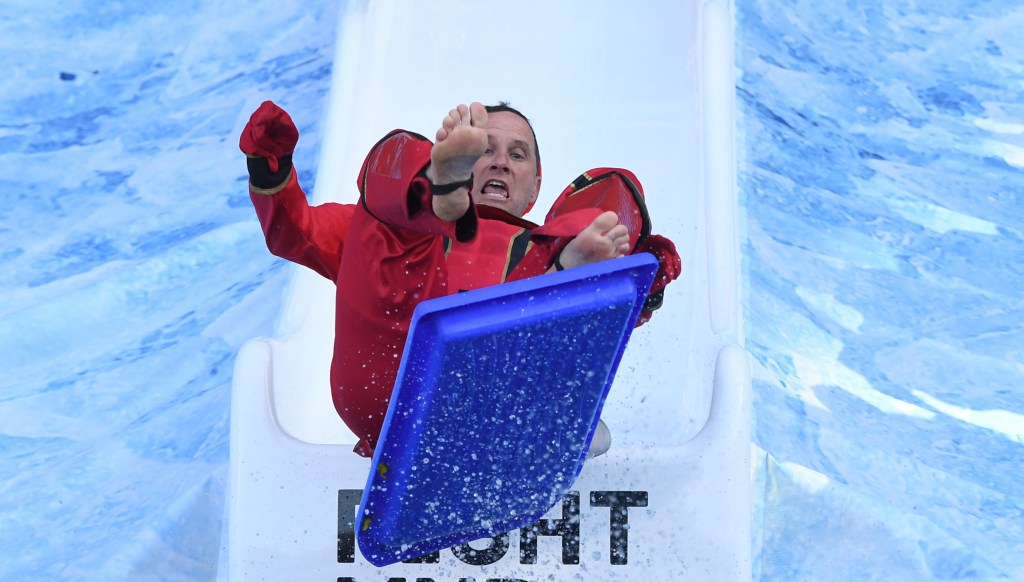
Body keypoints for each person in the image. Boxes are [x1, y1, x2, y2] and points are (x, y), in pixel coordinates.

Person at [241, 100, 680, 457]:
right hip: (397, 389)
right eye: (484, 151)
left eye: (517, 155)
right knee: (388, 196)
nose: (500, 164)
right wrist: (270, 172)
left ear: (536, 188)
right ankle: (432, 189)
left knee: (611, 193)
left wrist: (645, 277)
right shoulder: (397, 235)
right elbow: (295, 235)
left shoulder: (547, 240)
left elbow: (613, 327)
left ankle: (568, 274)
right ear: (464, 164)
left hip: (508, 395)